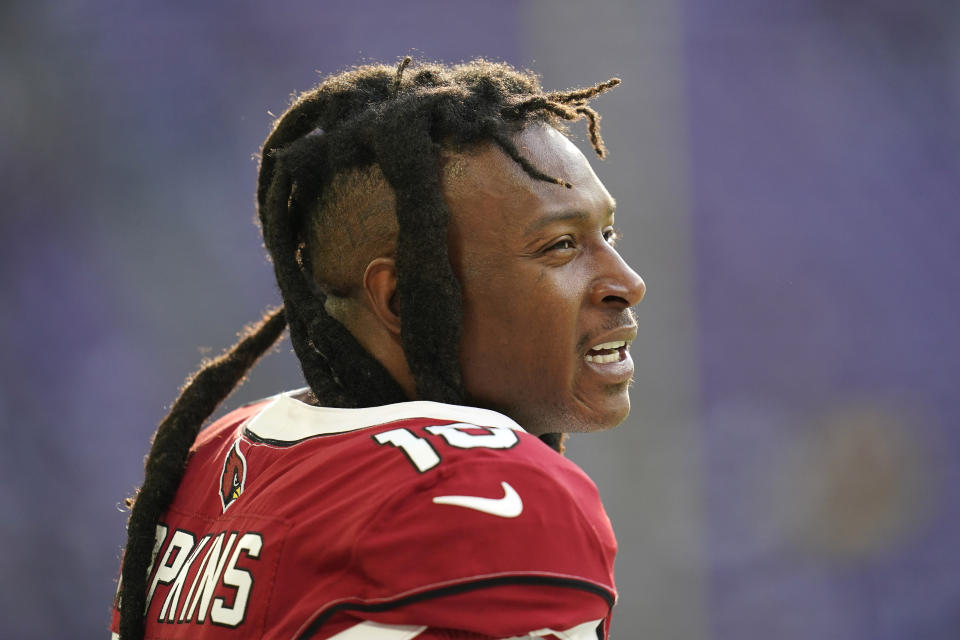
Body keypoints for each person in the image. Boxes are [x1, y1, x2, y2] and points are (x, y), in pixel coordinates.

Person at [111, 57, 645, 640]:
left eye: (608, 234)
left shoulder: (214, 458)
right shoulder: (490, 490)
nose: (627, 283)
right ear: (404, 300)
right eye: (561, 246)